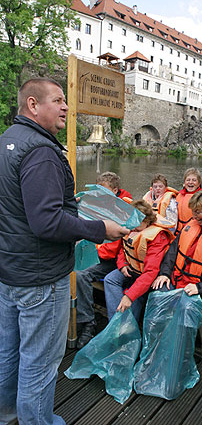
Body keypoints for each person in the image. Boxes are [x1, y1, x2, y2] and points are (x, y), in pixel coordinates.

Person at [0, 78, 128, 425]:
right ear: (32, 105)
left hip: (9, 272)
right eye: (57, 100)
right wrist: (101, 229)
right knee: (40, 362)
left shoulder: (6, 142)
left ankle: (8, 414)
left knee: (8, 354)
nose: (66, 107)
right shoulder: (40, 152)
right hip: (41, 278)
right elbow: (46, 222)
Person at [75, 171, 133, 349]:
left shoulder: (124, 209)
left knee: (80, 274)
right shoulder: (97, 204)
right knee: (68, 266)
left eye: (103, 190)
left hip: (112, 260)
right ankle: (70, 315)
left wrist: (92, 248)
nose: (99, 194)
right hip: (97, 253)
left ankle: (88, 322)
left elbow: (111, 249)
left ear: (115, 190)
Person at [104, 200, 174, 321]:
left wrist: (129, 296)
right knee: (110, 279)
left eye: (138, 221)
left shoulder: (157, 237)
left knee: (135, 296)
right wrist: (122, 265)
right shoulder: (132, 228)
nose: (133, 226)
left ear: (147, 221)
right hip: (132, 269)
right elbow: (123, 248)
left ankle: (125, 324)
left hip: (150, 276)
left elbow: (150, 272)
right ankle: (116, 321)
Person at [175, 167, 201, 234]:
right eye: (188, 180)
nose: (190, 182)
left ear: (199, 183)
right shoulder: (179, 196)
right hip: (178, 230)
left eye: (194, 180)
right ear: (184, 182)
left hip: (194, 231)